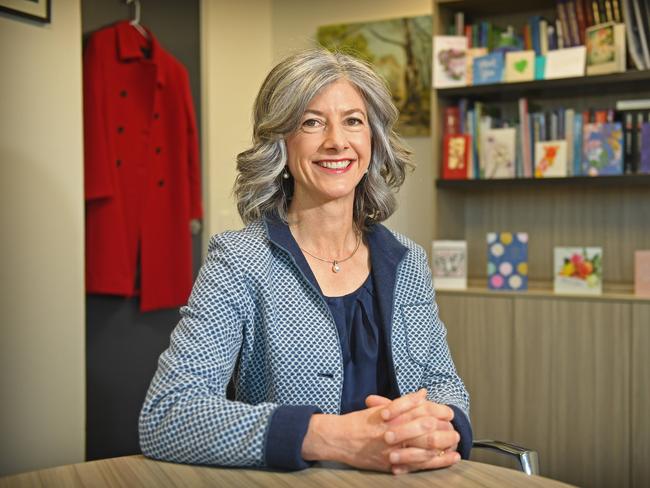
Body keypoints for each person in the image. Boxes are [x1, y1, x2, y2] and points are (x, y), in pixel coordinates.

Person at [139, 48, 472, 475]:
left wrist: (444, 429)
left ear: (373, 138)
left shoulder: (407, 261)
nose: (337, 141)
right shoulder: (239, 261)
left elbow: (445, 384)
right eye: (311, 122)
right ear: (281, 140)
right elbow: (168, 414)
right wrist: (333, 437)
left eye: (353, 121)